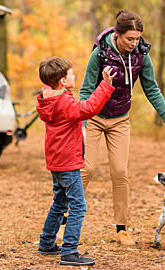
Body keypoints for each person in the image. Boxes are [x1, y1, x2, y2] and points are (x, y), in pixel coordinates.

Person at [77, 10, 165, 246]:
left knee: (119, 172)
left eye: (137, 39)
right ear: (117, 34)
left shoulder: (141, 56)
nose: (134, 43)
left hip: (120, 120)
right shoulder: (100, 53)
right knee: (87, 169)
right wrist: (82, 124)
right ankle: (67, 223)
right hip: (94, 117)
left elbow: (152, 89)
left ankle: (121, 229)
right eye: (129, 39)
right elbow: (85, 90)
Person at [36, 57, 116, 266]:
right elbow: (88, 108)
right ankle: (69, 250)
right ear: (62, 81)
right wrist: (105, 85)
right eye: (71, 74)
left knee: (60, 202)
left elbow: (52, 84)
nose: (74, 76)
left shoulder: (47, 98)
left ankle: (46, 242)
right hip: (68, 162)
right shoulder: (64, 101)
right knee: (78, 207)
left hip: (56, 160)